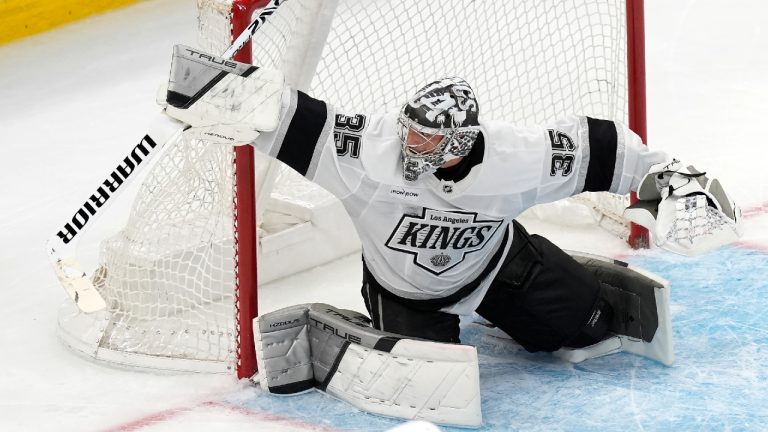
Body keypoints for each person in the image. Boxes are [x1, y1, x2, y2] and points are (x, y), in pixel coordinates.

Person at [163, 48, 742, 358]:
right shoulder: (367, 148)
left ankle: (567, 288)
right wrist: (216, 92)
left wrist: (676, 184)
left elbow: (614, 152)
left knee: (587, 328)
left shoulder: (521, 157)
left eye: (429, 140)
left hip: (497, 267)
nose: (411, 144)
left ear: (461, 144)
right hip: (403, 289)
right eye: (411, 130)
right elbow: (285, 114)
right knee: (431, 385)